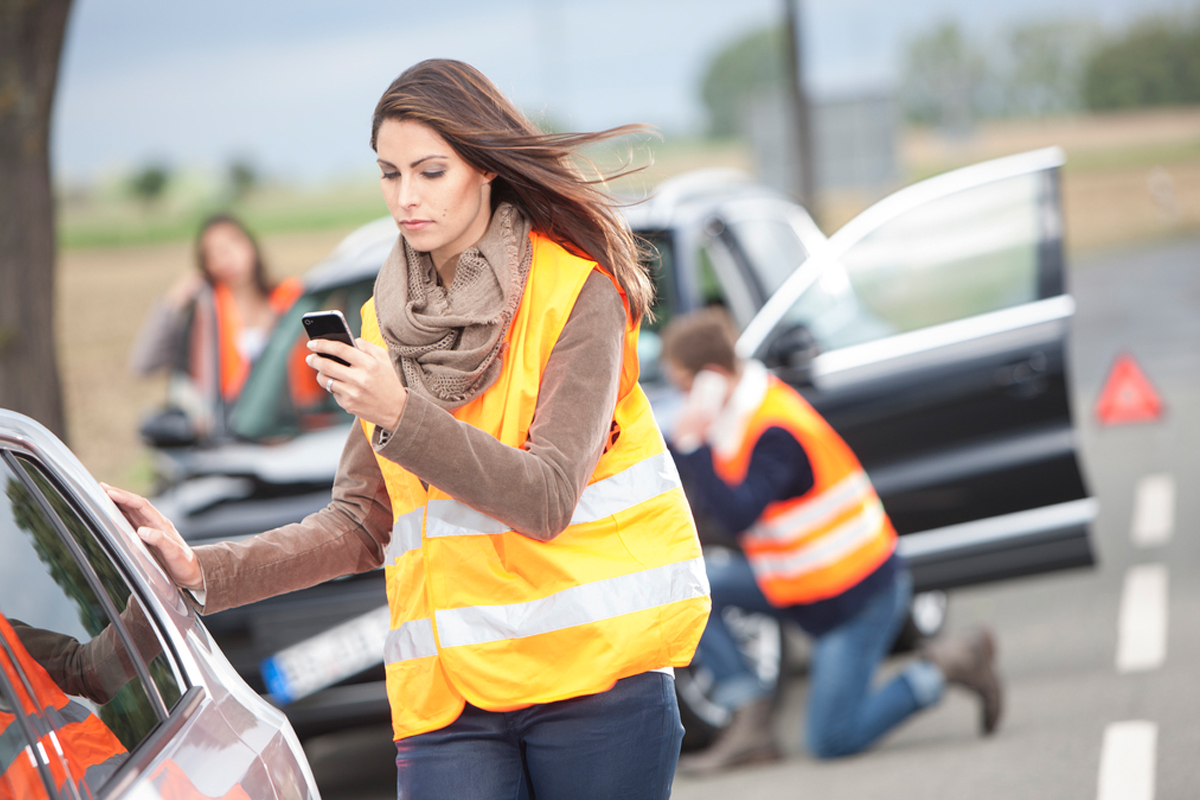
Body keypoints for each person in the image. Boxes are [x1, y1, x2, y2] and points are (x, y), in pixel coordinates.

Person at [105, 59, 710, 800]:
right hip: (445, 698)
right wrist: (205, 571)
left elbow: (547, 497)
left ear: (485, 168)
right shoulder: (381, 322)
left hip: (593, 677)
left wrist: (400, 413)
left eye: (430, 171)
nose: (406, 198)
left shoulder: (577, 292)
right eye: (390, 174)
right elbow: (362, 521)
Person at [660, 307, 1002, 772]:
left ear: (712, 378)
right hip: (799, 583)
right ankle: (751, 722)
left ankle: (947, 666)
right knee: (692, 588)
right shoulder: (739, 415)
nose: (683, 402)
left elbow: (739, 513)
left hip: (856, 600)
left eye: (684, 386)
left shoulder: (773, 429)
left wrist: (692, 445)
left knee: (831, 739)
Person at [128, 213, 304, 427]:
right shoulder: (200, 317)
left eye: (233, 243)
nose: (226, 256)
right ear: (205, 265)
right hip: (224, 436)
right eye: (214, 253)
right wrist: (174, 301)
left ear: (251, 246)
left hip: (293, 428)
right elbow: (143, 364)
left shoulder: (289, 302)